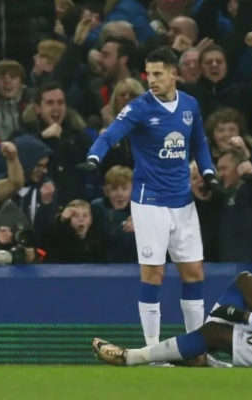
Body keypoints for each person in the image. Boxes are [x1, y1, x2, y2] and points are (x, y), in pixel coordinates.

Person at [76, 47, 224, 366]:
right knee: (154, 275)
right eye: (148, 74)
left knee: (194, 273)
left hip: (183, 202)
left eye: (158, 74)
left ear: (174, 74)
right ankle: (153, 354)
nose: (152, 80)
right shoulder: (140, 107)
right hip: (150, 202)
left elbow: (199, 142)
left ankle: (196, 351)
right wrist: (94, 157)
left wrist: (209, 172)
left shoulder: (189, 105)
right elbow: (111, 135)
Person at [92, 209, 252, 368]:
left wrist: (243, 317)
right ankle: (198, 349)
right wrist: (249, 320)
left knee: (213, 332)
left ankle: (132, 357)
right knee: (245, 281)